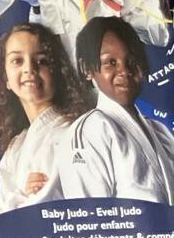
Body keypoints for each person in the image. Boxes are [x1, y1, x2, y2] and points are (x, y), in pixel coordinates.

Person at [58, 15, 174, 203]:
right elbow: (91, 214)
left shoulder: (161, 131)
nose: (124, 71)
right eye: (111, 62)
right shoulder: (89, 131)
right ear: (86, 68)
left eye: (132, 61)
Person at [0, 23, 92, 217]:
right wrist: (24, 195)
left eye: (42, 61)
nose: (29, 69)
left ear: (58, 72)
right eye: (17, 60)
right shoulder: (16, 147)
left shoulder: (72, 135)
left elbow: (47, 209)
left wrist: (19, 200)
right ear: (5, 78)